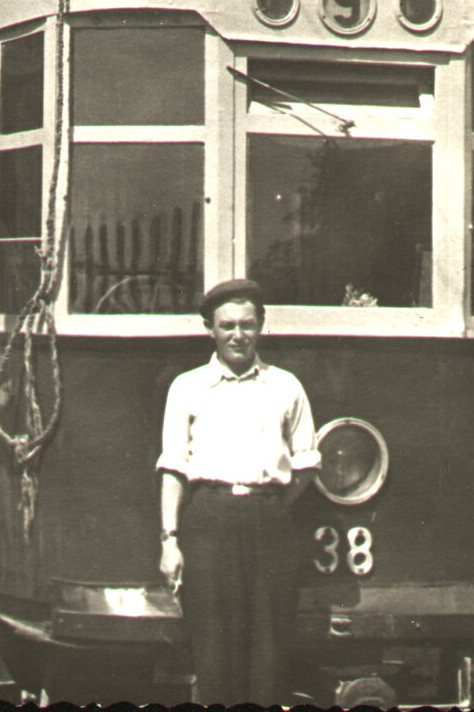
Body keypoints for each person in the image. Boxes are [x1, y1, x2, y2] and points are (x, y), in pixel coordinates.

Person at [157, 279, 321, 706]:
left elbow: (305, 465)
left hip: (270, 520)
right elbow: (173, 467)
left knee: (270, 638)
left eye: (247, 324)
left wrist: (271, 506)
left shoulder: (285, 386)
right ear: (210, 329)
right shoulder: (187, 387)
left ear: (261, 327)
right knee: (212, 640)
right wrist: (170, 540)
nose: (237, 335)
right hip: (207, 520)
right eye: (227, 325)